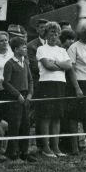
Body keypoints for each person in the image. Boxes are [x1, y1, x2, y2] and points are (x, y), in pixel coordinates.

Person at [34, 22, 71, 158]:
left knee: (57, 117)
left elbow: (69, 66)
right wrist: (60, 65)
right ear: (46, 34)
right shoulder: (41, 49)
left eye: (56, 33)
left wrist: (54, 63)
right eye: (51, 32)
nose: (54, 35)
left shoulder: (62, 50)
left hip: (60, 84)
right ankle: (46, 147)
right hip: (46, 84)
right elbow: (47, 66)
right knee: (46, 117)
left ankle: (56, 147)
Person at [3, 37, 36, 162]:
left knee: (25, 125)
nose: (25, 50)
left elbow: (31, 80)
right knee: (15, 125)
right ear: (16, 49)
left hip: (26, 98)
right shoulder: (10, 63)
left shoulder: (25, 63)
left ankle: (24, 152)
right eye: (23, 47)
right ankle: (13, 153)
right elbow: (6, 83)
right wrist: (17, 95)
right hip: (14, 98)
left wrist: (30, 94)